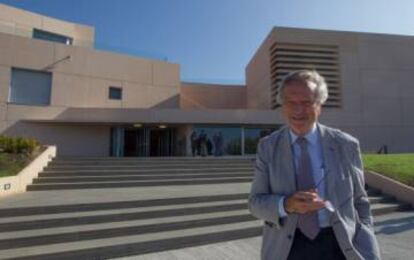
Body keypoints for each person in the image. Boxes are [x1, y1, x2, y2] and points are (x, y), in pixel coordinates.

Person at [248, 70, 380, 260]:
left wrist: (368, 242)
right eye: (291, 103)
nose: (298, 110)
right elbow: (255, 203)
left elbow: (360, 201)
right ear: (282, 106)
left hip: (341, 245)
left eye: (306, 102)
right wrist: (286, 204)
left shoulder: (346, 144)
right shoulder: (267, 147)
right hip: (288, 249)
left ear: (320, 105)